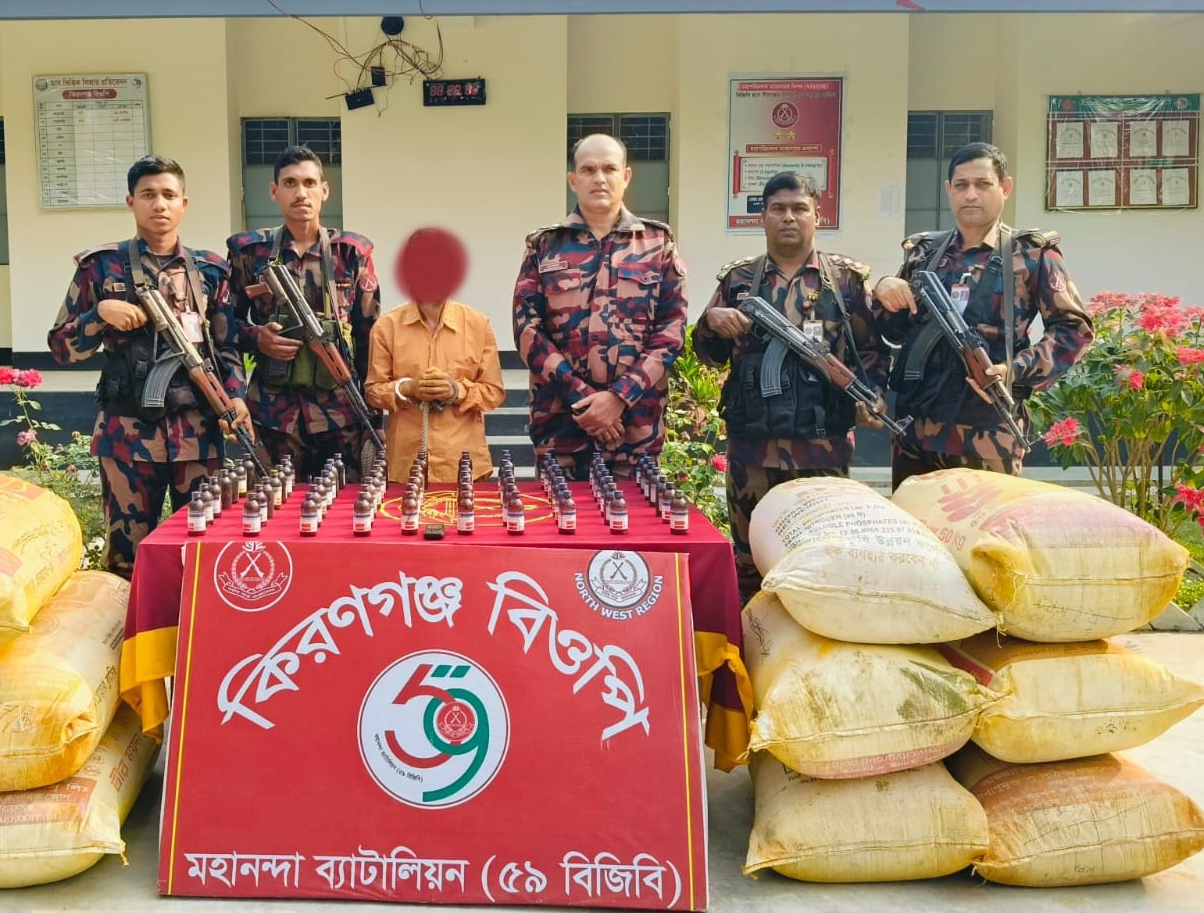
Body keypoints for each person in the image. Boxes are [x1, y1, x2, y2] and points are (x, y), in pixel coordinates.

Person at [48, 154, 250, 578]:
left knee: (201, 550)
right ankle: (127, 622)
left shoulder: (210, 271)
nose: (160, 204)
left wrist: (235, 396)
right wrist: (99, 314)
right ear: (131, 201)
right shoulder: (100, 267)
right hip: (127, 437)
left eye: (169, 195)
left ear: (184, 204)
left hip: (197, 435)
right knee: (127, 559)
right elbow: (62, 348)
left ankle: (193, 622)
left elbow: (227, 344)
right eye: (148, 194)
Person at [695, 171, 888, 605]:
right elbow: (708, 355)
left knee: (823, 564)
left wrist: (872, 395)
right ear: (762, 217)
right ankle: (752, 643)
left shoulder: (844, 281)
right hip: (753, 452)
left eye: (800, 209)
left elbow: (872, 352)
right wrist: (710, 323)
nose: (789, 217)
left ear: (818, 216)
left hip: (823, 450)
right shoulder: (739, 280)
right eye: (778, 209)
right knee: (750, 565)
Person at [873, 142, 1092, 490]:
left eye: (983, 184)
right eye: (961, 185)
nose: (971, 194)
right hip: (915, 432)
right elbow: (894, 331)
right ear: (949, 190)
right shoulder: (924, 253)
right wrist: (884, 290)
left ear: (1005, 187)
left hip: (988, 434)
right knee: (915, 522)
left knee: (988, 525)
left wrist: (1013, 370)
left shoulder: (1031, 255)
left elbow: (1073, 331)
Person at [511, 133, 687, 479]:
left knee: (634, 514)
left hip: (634, 431)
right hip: (561, 429)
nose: (599, 178)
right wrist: (583, 400)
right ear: (573, 181)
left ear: (626, 176)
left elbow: (671, 332)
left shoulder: (657, 244)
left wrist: (618, 399)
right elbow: (527, 330)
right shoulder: (545, 246)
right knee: (559, 514)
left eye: (609, 168)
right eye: (588, 170)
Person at [226, 145, 380, 480]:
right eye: (290, 183)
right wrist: (257, 338)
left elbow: (370, 335)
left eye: (310, 183)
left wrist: (376, 413)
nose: (301, 193)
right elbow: (222, 328)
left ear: (325, 190)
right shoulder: (250, 252)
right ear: (274, 191)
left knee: (343, 506)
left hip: (341, 414)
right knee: (273, 504)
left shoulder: (350, 253)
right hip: (273, 416)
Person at [364, 227, 505, 483]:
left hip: (463, 467)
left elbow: (494, 393)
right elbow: (373, 392)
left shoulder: (477, 324)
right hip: (406, 467)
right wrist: (408, 388)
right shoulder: (386, 327)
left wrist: (456, 391)